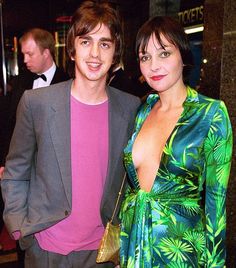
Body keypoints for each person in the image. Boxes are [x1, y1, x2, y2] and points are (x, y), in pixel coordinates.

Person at [1, 1, 140, 267]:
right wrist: (20, 228)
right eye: (86, 41)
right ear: (73, 49)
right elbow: (15, 171)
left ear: (115, 52)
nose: (95, 54)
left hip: (103, 254)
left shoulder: (130, 107)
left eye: (105, 44)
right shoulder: (36, 103)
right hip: (46, 249)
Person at [119, 16, 233, 267]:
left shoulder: (210, 113)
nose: (153, 66)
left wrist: (216, 264)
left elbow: (216, 203)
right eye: (145, 57)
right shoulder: (143, 111)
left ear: (183, 55)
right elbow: (132, 187)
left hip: (180, 253)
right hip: (134, 247)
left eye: (164, 54)